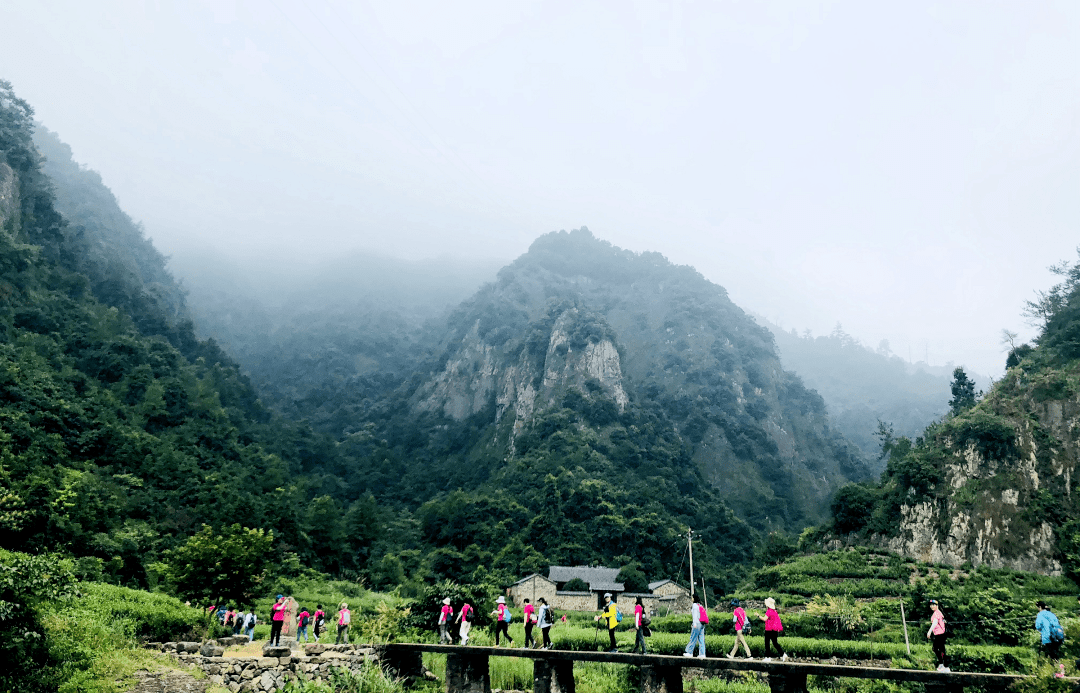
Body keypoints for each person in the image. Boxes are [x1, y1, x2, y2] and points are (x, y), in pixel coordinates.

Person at [760, 597, 787, 662]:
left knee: (767, 643)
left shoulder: (768, 611)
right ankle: (783, 654)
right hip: (775, 630)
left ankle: (768, 657)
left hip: (769, 629)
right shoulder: (775, 611)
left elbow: (764, 619)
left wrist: (758, 616)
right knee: (775, 643)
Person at [682, 594, 707, 658]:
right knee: (701, 639)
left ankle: (689, 652)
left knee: (693, 638)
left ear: (694, 598)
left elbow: (695, 616)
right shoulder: (700, 605)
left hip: (697, 624)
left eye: (692, 597)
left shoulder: (694, 605)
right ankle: (702, 654)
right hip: (702, 624)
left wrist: (694, 624)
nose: (691, 599)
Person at [927, 599, 949, 671]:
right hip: (940, 633)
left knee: (936, 648)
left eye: (933, 605)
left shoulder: (936, 613)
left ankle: (943, 665)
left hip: (940, 634)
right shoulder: (939, 613)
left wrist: (929, 632)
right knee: (940, 649)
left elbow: (935, 623)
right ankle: (944, 665)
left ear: (937, 606)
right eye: (931, 605)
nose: (932, 606)